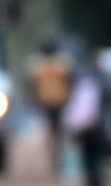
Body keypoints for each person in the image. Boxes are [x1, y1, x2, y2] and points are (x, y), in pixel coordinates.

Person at [60, 54, 111, 186]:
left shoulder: (83, 83)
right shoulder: (105, 81)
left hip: (86, 128)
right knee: (97, 156)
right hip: (99, 127)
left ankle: (93, 183)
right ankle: (97, 182)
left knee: (89, 155)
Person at [24, 39, 74, 177]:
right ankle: (57, 159)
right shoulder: (62, 62)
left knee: (55, 132)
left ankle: (58, 158)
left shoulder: (37, 64)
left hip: (56, 102)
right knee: (56, 132)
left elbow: (71, 81)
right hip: (52, 102)